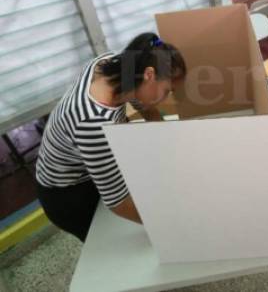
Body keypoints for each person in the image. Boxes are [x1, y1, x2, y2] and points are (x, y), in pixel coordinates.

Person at [36, 33, 187, 241]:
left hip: (87, 160)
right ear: (149, 75)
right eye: (166, 90)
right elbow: (118, 202)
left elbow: (142, 98)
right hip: (69, 194)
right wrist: (167, 224)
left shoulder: (110, 64)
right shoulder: (93, 122)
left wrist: (162, 136)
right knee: (108, 246)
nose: (167, 97)